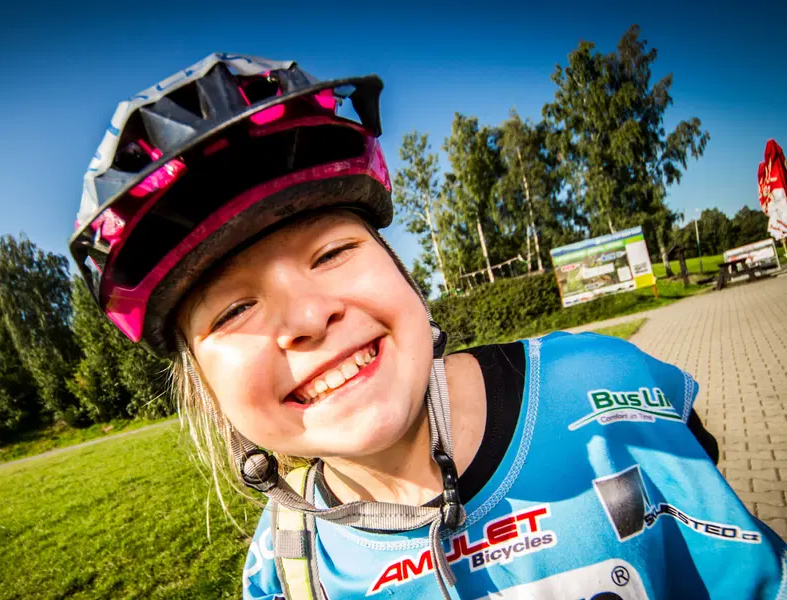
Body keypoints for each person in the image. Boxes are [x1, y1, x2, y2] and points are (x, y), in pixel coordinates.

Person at [70, 54, 787, 599]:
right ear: (202, 384)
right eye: (233, 310)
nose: (310, 317)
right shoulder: (286, 569)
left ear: (402, 272)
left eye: (332, 252)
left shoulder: (612, 395)